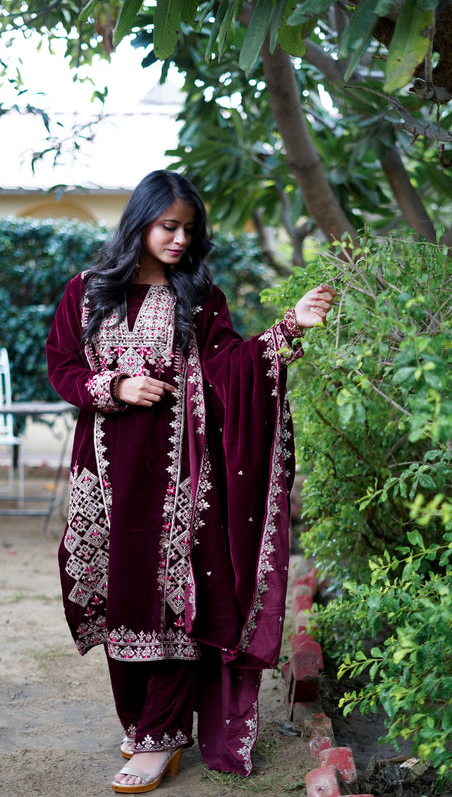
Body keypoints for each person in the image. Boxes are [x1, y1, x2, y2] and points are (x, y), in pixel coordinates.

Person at [46, 169, 335, 794]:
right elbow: (63, 366)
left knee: (173, 599)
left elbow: (232, 365)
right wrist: (116, 387)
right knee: (117, 595)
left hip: (180, 479)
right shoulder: (86, 293)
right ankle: (141, 722)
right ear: (140, 222)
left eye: (188, 230)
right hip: (106, 472)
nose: (179, 239)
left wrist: (290, 328)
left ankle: (162, 737)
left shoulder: (197, 297)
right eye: (168, 226)